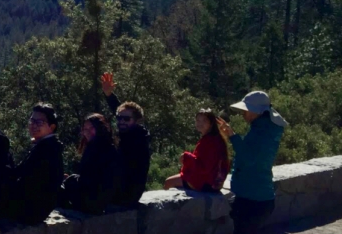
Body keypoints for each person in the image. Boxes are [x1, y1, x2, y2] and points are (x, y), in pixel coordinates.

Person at [215, 92, 287, 234]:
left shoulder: (260, 133)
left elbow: (248, 157)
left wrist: (232, 136)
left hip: (251, 199)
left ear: (257, 111)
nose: (244, 113)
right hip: (261, 197)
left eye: (247, 109)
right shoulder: (267, 128)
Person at [2, 103, 65, 225]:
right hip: (36, 210)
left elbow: (25, 179)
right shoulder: (48, 146)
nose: (33, 125)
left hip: (30, 212)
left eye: (39, 122)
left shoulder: (46, 150)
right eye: (32, 120)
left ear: (52, 127)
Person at [101, 72, 152, 206]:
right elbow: (119, 110)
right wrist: (109, 95)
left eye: (126, 119)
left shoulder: (137, 140)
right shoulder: (131, 133)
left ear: (136, 121)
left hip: (125, 195)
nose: (121, 121)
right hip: (124, 192)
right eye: (119, 118)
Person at [60, 113, 118, 215]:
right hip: (100, 202)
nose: (87, 132)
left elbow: (89, 181)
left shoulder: (96, 149)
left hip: (91, 202)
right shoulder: (109, 146)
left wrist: (69, 181)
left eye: (91, 128)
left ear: (100, 128)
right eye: (85, 129)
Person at [164, 109, 230, 192]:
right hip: (213, 181)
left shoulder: (210, 141)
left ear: (211, 123)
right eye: (198, 120)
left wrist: (186, 157)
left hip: (206, 182)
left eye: (204, 121)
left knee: (168, 182)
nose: (200, 123)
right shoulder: (215, 138)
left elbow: (204, 167)